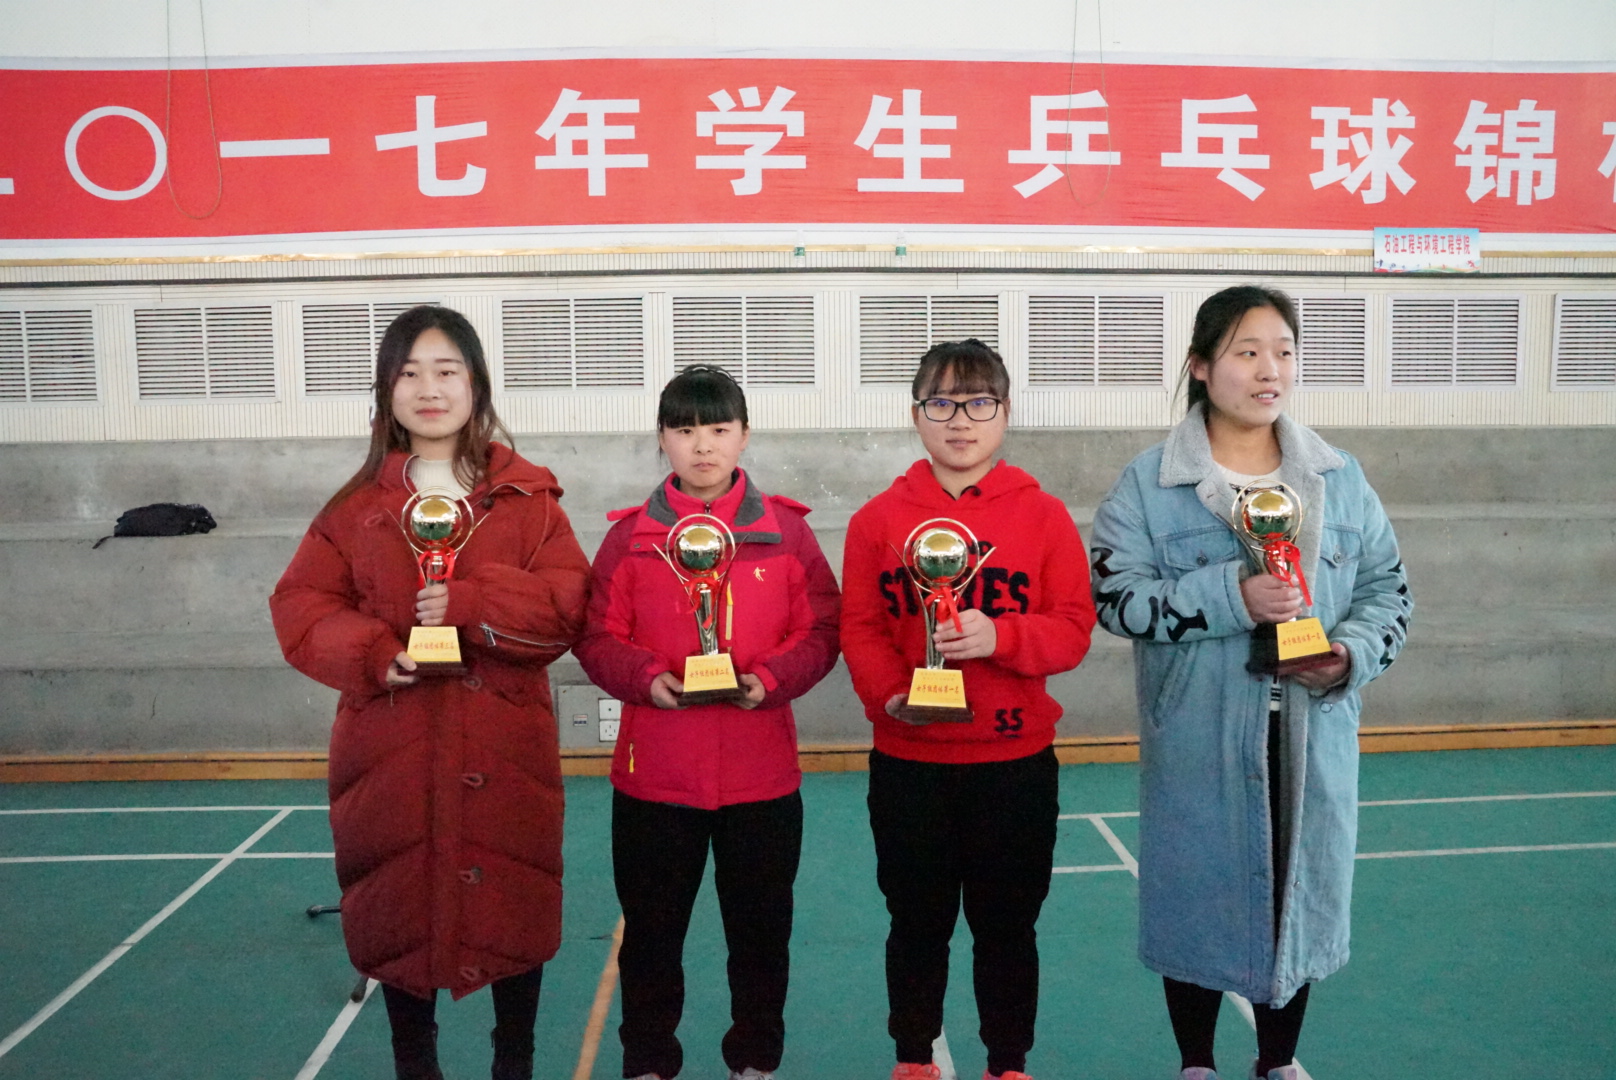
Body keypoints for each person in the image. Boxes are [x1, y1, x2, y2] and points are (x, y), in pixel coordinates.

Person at [1088, 285, 1413, 1080]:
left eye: (1284, 352)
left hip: (1310, 725)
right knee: (1196, 891)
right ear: (1201, 366)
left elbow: (1388, 592)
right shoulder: (1149, 483)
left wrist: (1348, 657)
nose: (1271, 370)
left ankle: (1278, 1060)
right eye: (1247, 352)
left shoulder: (1338, 476)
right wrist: (1233, 596)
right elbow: (1117, 600)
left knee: (1295, 890)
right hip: (1198, 731)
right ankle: (1196, 1063)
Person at [270, 305, 590, 1080]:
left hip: (505, 752)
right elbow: (301, 608)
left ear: (477, 386)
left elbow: (566, 608)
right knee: (399, 911)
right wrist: (375, 653)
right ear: (387, 391)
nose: (429, 389)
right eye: (409, 373)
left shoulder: (530, 500)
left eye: (447, 371)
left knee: (512, 903)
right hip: (391, 752)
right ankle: (416, 1065)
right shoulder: (353, 509)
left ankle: (514, 1062)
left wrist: (472, 603)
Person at [573, 364, 841, 1080]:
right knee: (651, 939)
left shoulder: (787, 533)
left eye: (719, 428)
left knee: (761, 938)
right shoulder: (629, 539)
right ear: (662, 437)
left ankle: (754, 1062)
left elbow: (822, 630)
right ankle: (648, 1062)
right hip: (655, 781)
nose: (702, 445)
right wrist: (645, 679)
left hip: (762, 779)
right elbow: (596, 637)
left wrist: (772, 679)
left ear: (744, 435)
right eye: (685, 429)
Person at [840, 340, 1097, 1080]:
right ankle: (913, 1058)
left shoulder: (1044, 516)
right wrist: (888, 697)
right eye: (942, 403)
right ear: (915, 414)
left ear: (1005, 412)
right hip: (909, 762)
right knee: (914, 924)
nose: (961, 420)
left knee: (1007, 928)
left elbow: (1074, 629)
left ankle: (1007, 1063)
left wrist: (1000, 636)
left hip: (1013, 764)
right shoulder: (876, 520)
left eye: (979, 402)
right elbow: (859, 626)